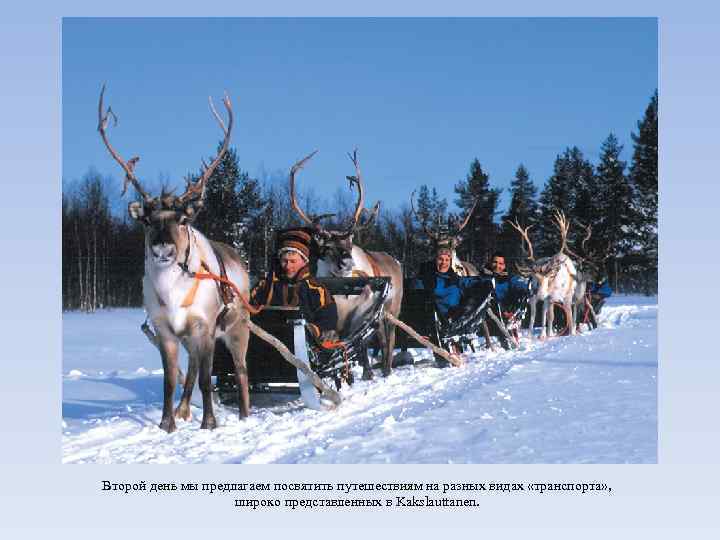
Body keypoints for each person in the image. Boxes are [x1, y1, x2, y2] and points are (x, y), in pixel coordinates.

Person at [250, 228, 338, 342]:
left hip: (304, 344)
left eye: (293, 261)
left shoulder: (316, 288)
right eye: (284, 261)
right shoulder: (266, 285)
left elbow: (328, 317)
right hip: (266, 342)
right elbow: (249, 307)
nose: (287, 266)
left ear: (304, 261)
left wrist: (315, 330)